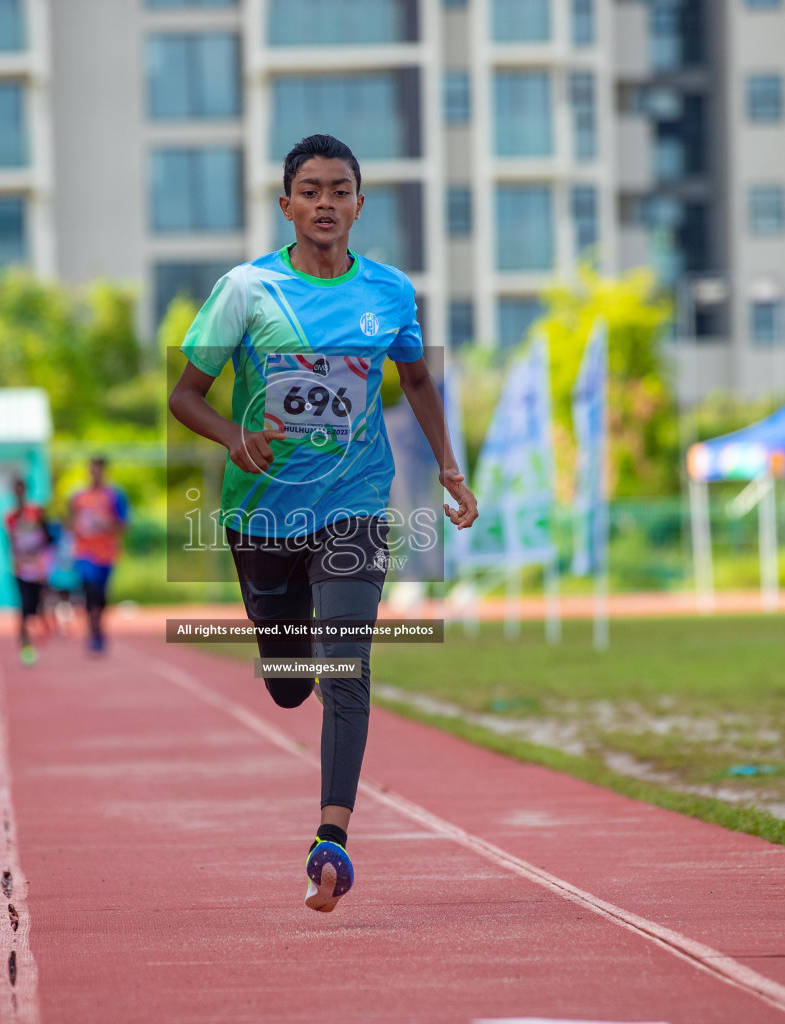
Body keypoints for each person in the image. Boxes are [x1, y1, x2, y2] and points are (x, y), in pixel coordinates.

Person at [167, 134, 478, 913]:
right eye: (310, 191)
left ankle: (330, 838)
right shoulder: (245, 290)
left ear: (359, 205)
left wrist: (448, 467)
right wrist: (236, 437)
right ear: (287, 206)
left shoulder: (391, 294)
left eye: (340, 190)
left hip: (353, 509)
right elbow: (185, 395)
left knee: (347, 668)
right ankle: (286, 651)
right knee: (289, 681)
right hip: (261, 516)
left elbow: (417, 381)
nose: (326, 203)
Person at [67, 457, 128, 654]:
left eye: (99, 470)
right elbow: (68, 522)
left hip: (107, 554)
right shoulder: (77, 496)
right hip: (84, 552)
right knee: (90, 590)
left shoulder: (115, 495)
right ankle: (93, 632)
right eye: (92, 470)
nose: (95, 474)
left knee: (101, 596)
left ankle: (98, 628)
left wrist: (106, 524)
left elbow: (124, 524)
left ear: (104, 471)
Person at [3, 475, 61, 666]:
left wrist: (45, 560)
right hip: (20, 570)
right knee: (24, 609)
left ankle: (43, 628)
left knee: (38, 607)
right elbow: (8, 543)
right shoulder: (9, 517)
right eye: (16, 489)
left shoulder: (37, 512)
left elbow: (50, 537)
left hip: (39, 569)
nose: (19, 492)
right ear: (13, 491)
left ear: (26, 490)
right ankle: (25, 646)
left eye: (22, 488)